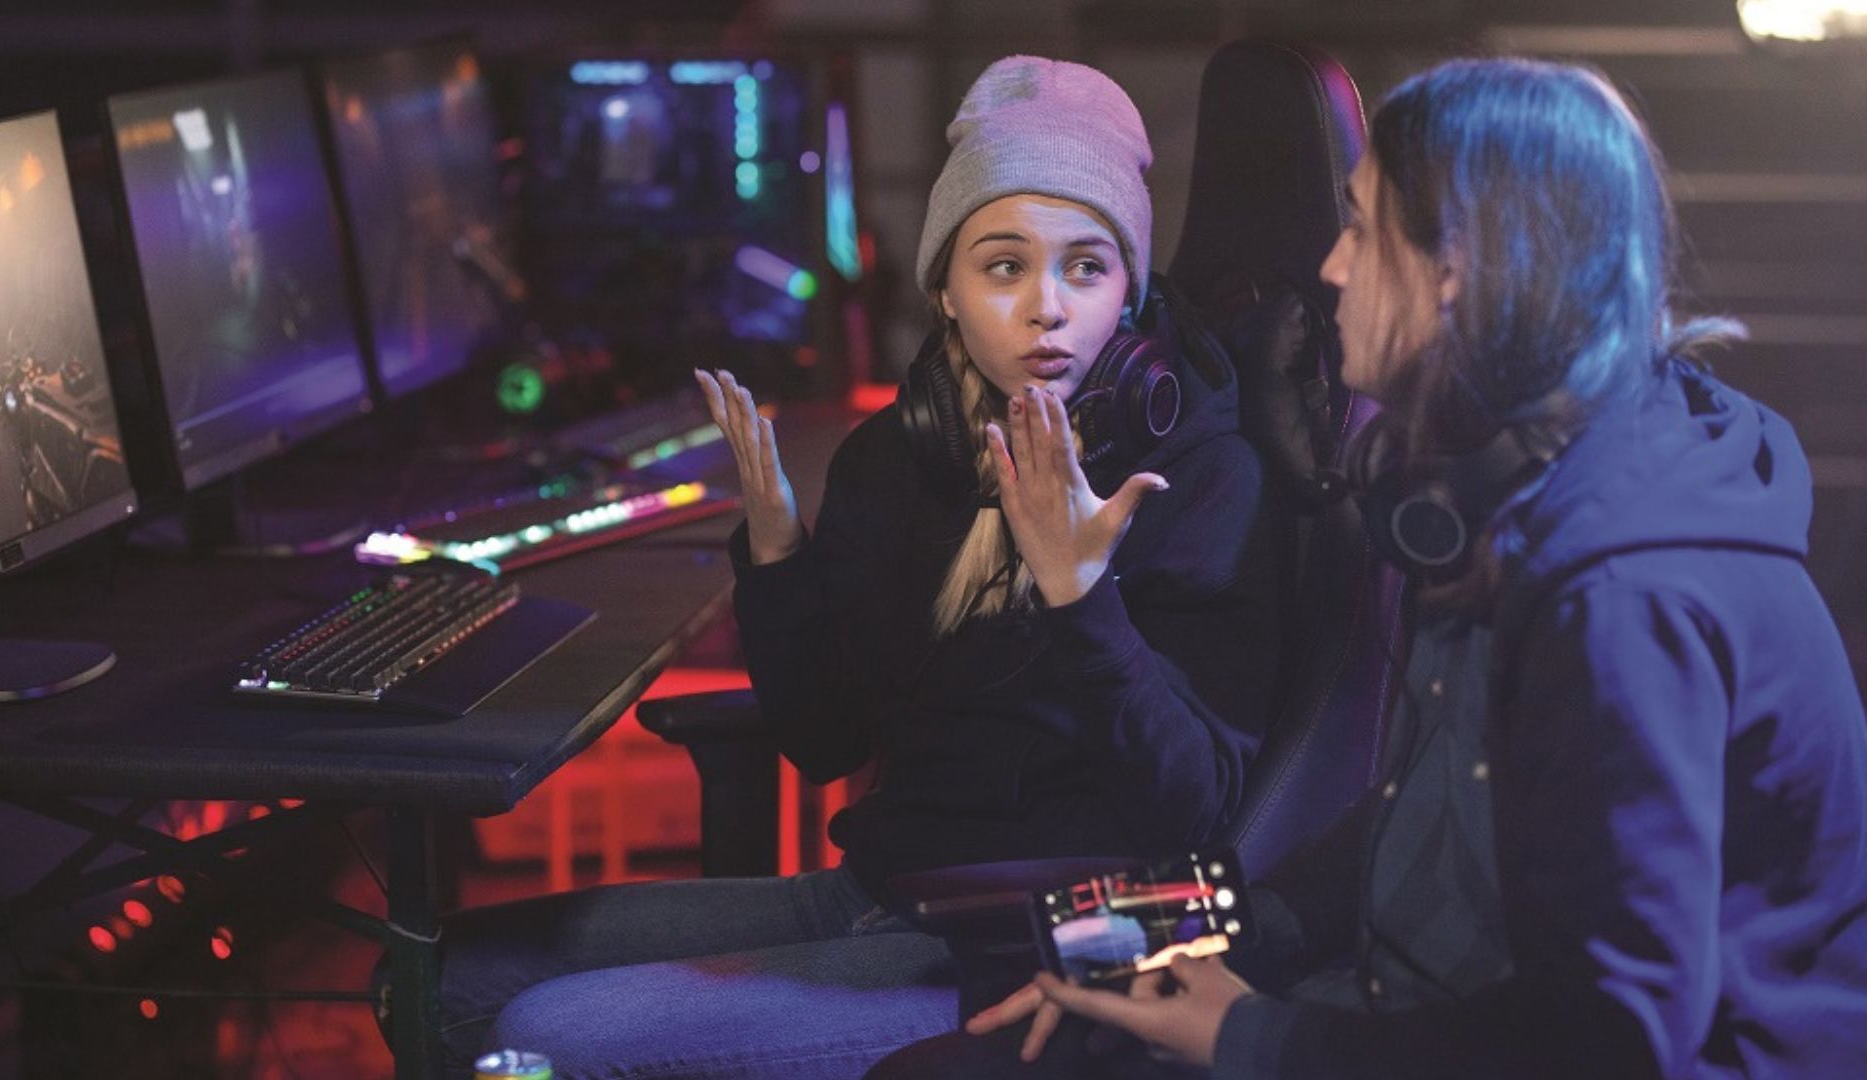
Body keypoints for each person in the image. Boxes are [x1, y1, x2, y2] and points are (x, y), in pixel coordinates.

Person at [872, 56, 1867, 1080]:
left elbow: (1608, 1044)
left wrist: (1245, 1035)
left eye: (1360, 228)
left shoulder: (1623, 595)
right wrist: (1124, 938)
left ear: (1463, 269)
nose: (1333, 269)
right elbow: (1396, 843)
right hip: (1409, 1007)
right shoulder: (1497, 507)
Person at [423, 55, 1279, 1079]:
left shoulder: (1201, 480)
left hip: (1021, 950)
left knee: (550, 1036)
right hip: (877, 891)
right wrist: (781, 555)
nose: (1046, 307)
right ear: (947, 291)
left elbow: (1194, 810)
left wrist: (1082, 596)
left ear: (1131, 297)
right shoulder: (905, 456)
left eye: (1086, 268)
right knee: (454, 977)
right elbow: (825, 739)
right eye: (1004, 266)